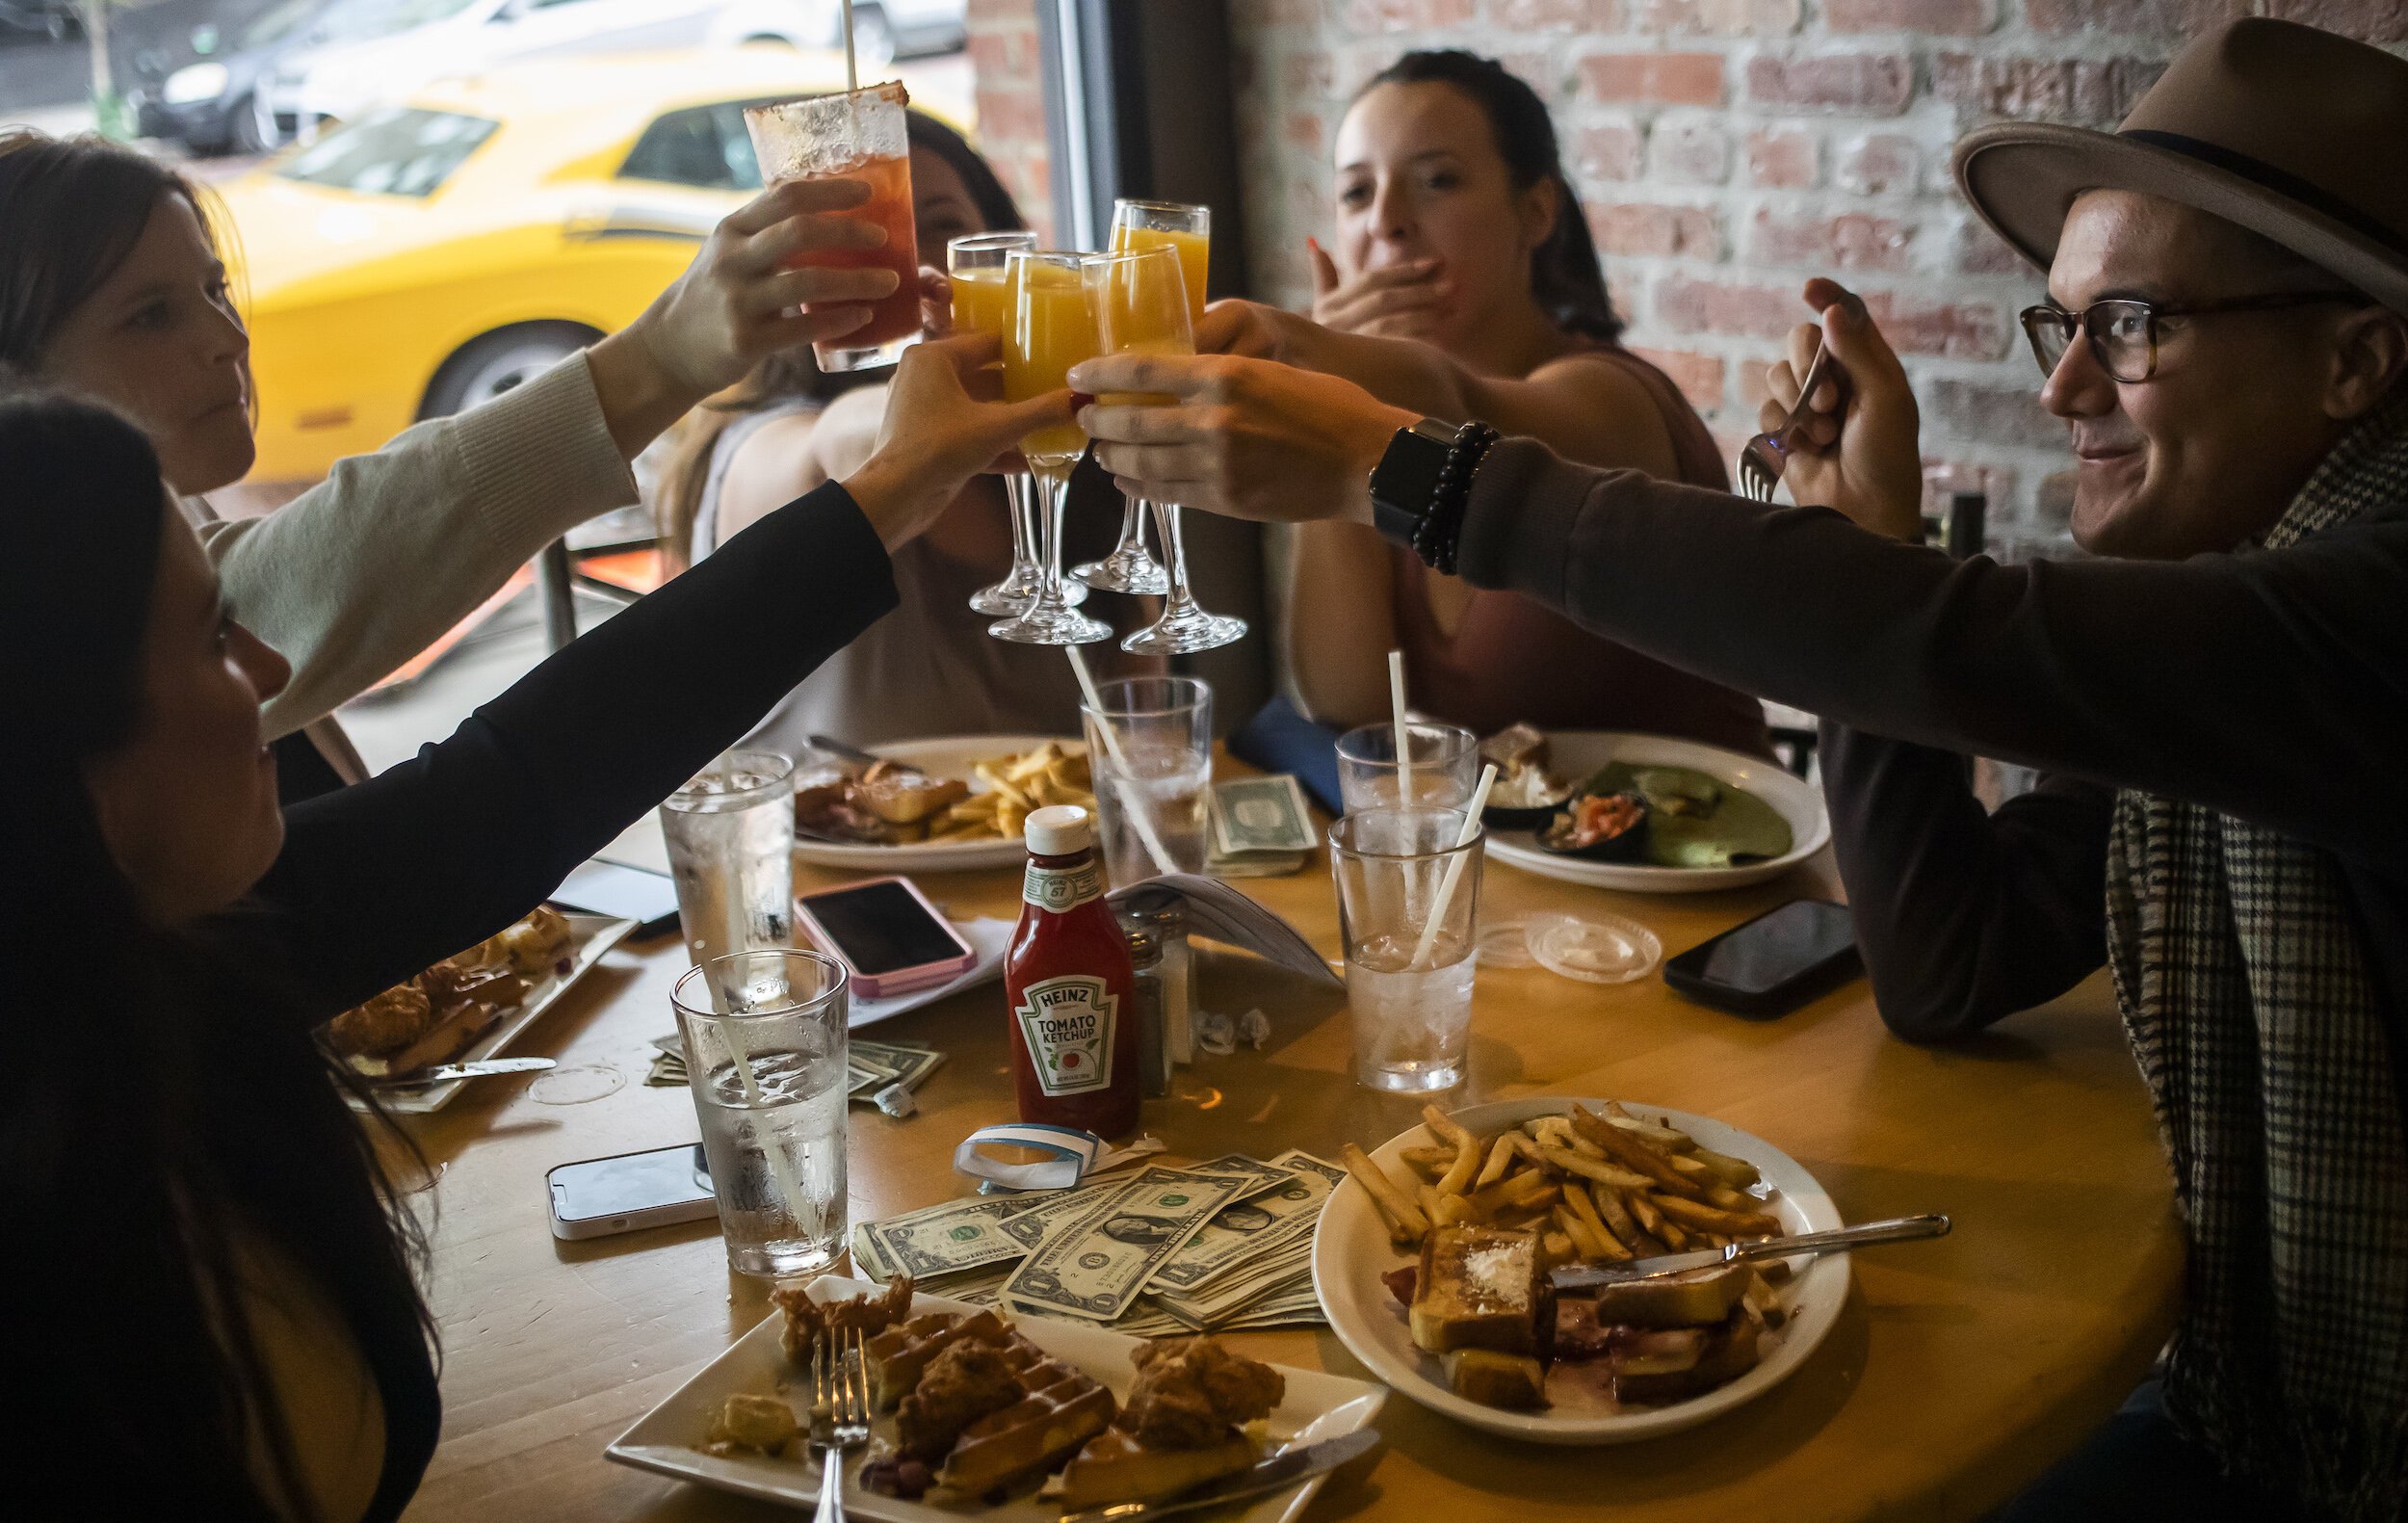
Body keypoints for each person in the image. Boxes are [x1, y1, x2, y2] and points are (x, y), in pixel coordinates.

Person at [1076, 19, 2408, 1518]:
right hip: (2258, 1377)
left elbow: (1951, 639)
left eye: (2136, 327)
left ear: (2357, 358)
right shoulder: (2222, 640)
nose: (2066, 395)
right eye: (2068, 326)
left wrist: (1390, 461)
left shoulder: (2369, 616)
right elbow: (1957, 963)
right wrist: (1861, 565)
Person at [0, 333, 1071, 1520]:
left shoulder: (162, 962)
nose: (265, 667)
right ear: (62, 760)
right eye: (210, 637)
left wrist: (893, 489)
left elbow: (514, 782)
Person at [0, 128, 896, 799]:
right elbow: (295, 583)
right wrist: (660, 359)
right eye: (151, 316)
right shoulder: (66, 617)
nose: (226, 340)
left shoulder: (169, 519)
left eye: (214, 290)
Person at [1211, 49, 1766, 753]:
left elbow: (1470, 422)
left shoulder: (1609, 396)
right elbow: (1351, 706)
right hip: (1515, 865)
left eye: (1436, 181)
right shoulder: (1375, 428)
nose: (1386, 221)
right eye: (1356, 193)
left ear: (1535, 213)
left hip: (1723, 855)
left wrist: (1323, 362)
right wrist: (1338, 405)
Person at [657, 110, 1108, 748]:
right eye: (869, 238)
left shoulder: (1067, 462)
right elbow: (835, 448)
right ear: (801, 274)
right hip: (825, 844)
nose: (911, 268)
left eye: (945, 227)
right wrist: (912, 402)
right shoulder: (759, 444)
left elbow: (1141, 728)